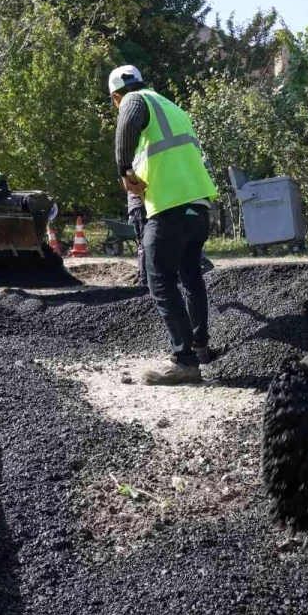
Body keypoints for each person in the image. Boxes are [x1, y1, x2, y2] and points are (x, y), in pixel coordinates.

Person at [110, 65, 219, 385]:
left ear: (116, 97)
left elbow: (127, 124)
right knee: (191, 276)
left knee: (160, 280)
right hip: (198, 207)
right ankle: (200, 346)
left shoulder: (133, 101)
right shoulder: (172, 107)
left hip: (169, 207)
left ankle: (184, 361)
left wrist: (124, 171)